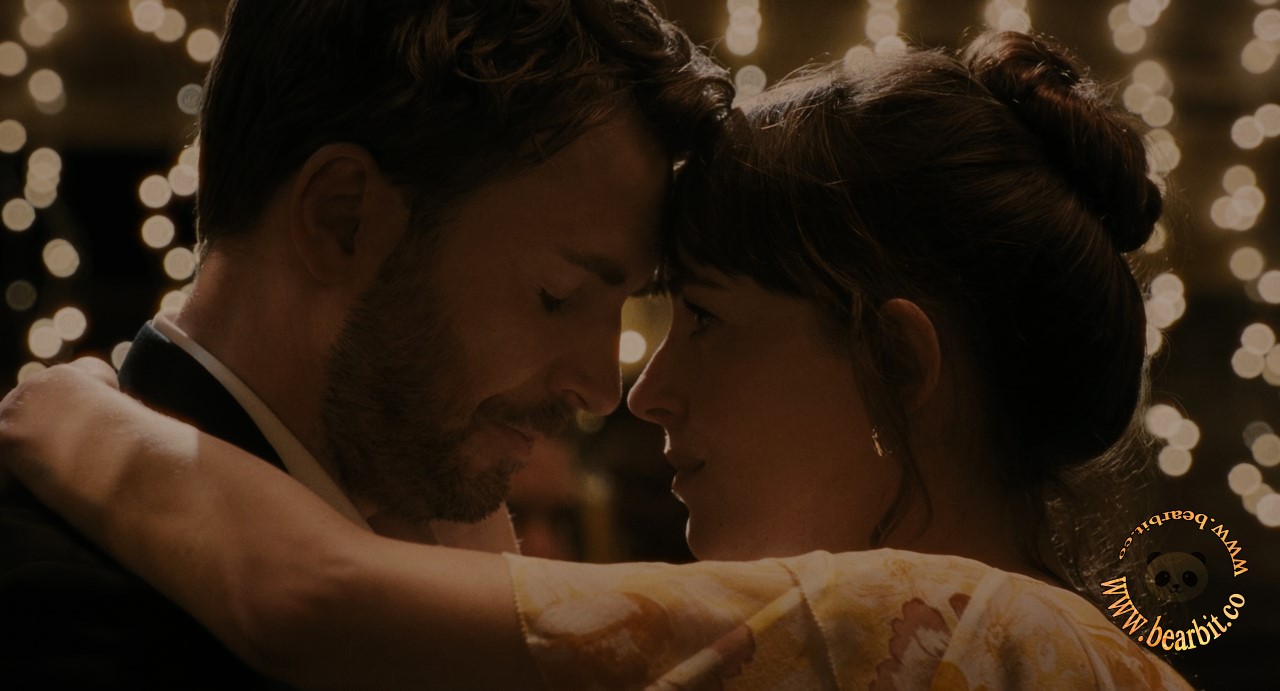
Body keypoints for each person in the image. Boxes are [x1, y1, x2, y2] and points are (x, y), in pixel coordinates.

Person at [0, 31, 1195, 690]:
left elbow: (305, 595)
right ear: (341, 216)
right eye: (558, 293)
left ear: (896, 358)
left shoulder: (937, 621)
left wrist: (81, 410)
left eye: (699, 318)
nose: (617, 388)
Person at [0, 0, 730, 686]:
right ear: (342, 218)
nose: (601, 389)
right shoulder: (60, 610)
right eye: (558, 295)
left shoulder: (450, 546)